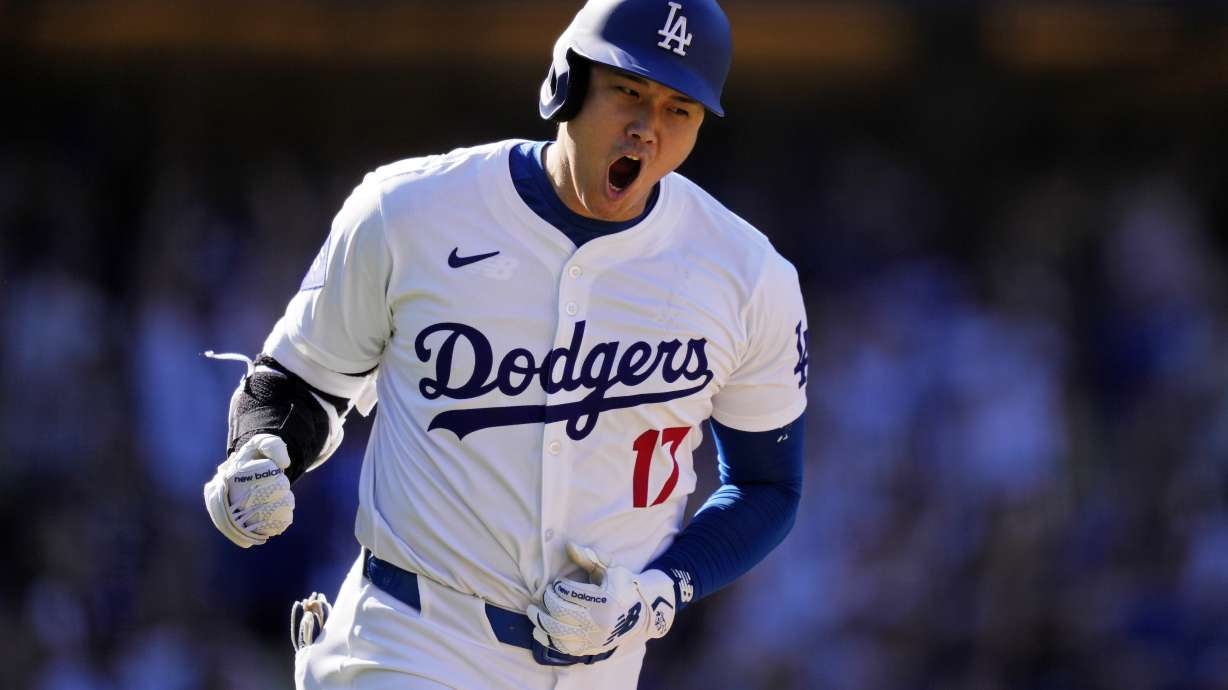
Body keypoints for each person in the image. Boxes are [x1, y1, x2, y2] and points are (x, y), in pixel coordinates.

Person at [202, 1, 809, 688]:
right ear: (567, 84)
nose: (647, 129)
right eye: (630, 92)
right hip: (412, 640)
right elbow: (303, 381)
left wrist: (657, 593)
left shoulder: (748, 275)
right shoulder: (410, 211)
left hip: (600, 665)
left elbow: (768, 485)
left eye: (679, 109)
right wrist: (262, 451)